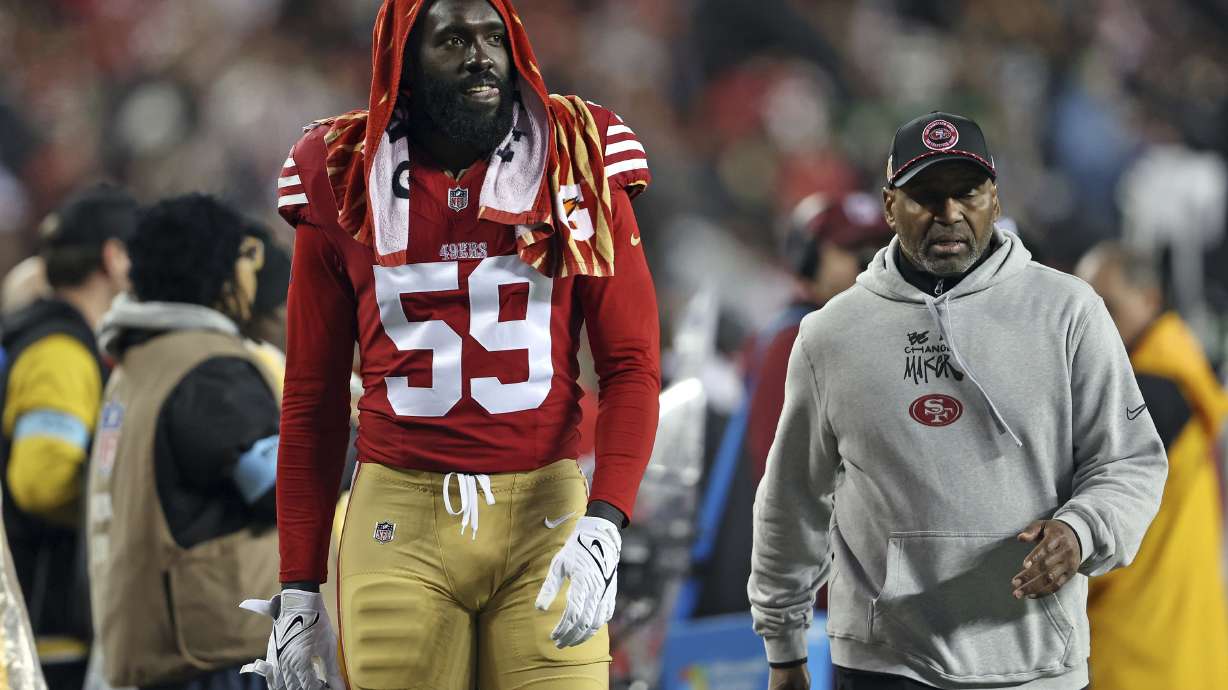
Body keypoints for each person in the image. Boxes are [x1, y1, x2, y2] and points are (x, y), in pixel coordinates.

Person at [241, 1, 661, 689]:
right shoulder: (340, 170)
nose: (480, 56)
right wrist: (297, 585)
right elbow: (313, 398)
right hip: (399, 519)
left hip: (545, 513)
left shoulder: (577, 157)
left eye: (495, 37)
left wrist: (606, 520)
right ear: (401, 60)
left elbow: (632, 365)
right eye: (453, 40)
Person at [749, 112, 1167, 690]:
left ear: (994, 199)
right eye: (925, 196)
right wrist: (784, 647)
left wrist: (1082, 531)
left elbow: (1130, 462)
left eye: (966, 192)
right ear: (890, 206)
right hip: (882, 665)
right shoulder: (831, 336)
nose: (948, 214)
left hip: (1034, 663)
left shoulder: (1068, 312)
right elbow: (792, 497)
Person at [87, 194, 280, 690]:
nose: (250, 277)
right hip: (219, 651)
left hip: (155, 645)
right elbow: (281, 484)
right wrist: (355, 426)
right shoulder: (207, 367)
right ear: (214, 266)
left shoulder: (138, 362)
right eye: (242, 258)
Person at [1075, 242, 1228, 689]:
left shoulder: (1157, 390)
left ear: (1150, 300)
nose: (1095, 326)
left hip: (1138, 647)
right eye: (1088, 308)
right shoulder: (1178, 367)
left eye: (1110, 308)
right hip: (1175, 640)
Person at [0, 184, 135, 690]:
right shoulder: (59, 349)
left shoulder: (58, 337)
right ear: (114, 257)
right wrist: (129, 506)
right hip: (49, 621)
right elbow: (41, 479)